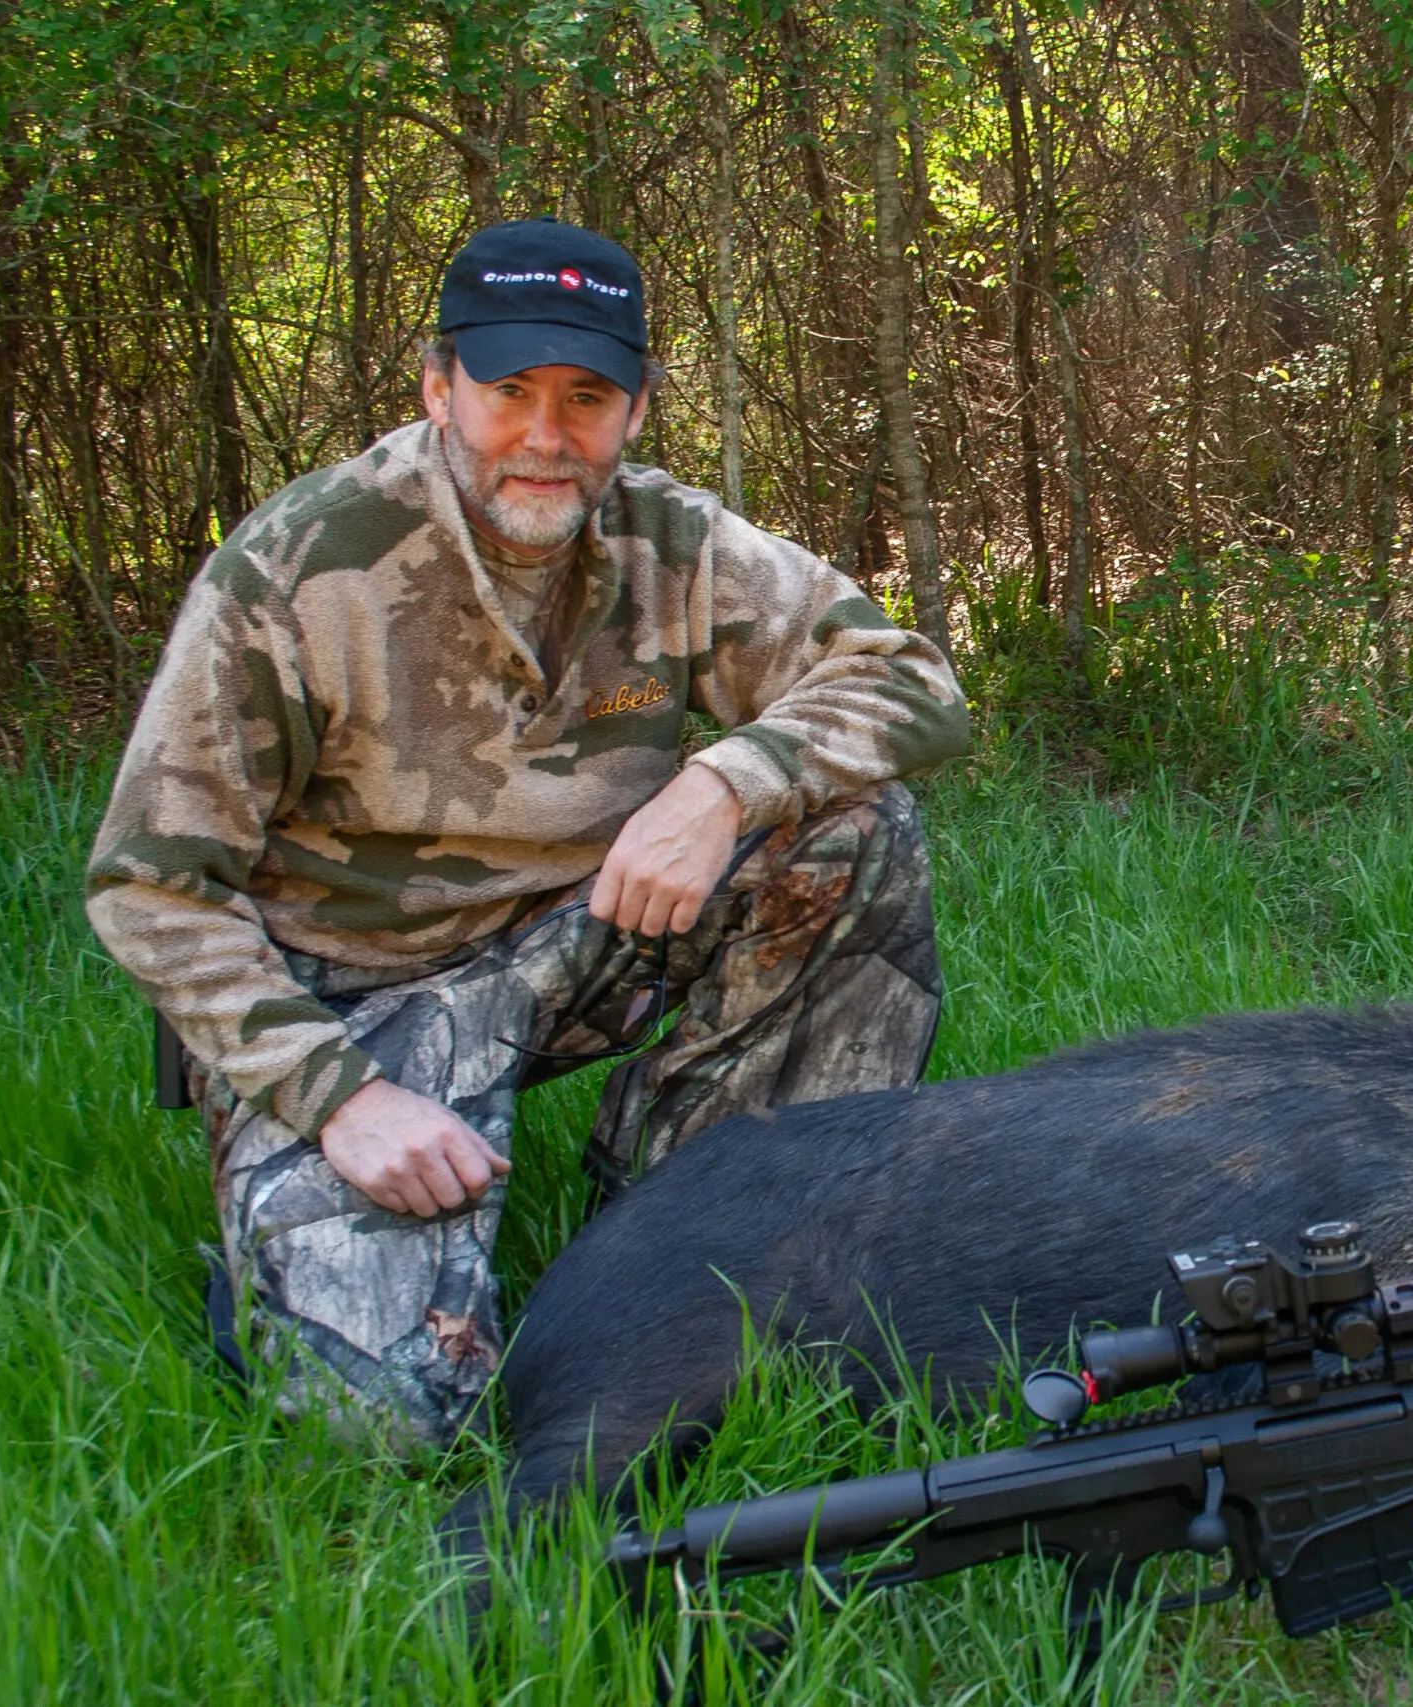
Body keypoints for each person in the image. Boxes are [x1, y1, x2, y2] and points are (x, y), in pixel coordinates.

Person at [84, 218, 969, 1451]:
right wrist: (334, 1099)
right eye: (509, 393)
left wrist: (723, 783)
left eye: (587, 397)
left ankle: (703, 1225)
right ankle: (288, 1223)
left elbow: (912, 680)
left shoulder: (675, 542)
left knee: (853, 830)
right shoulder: (297, 570)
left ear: (637, 407)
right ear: (439, 387)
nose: (547, 438)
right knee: (385, 1434)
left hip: (581, 943)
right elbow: (151, 886)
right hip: (358, 997)